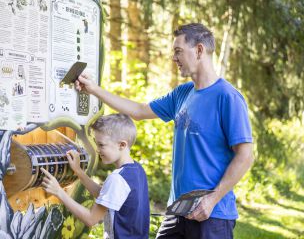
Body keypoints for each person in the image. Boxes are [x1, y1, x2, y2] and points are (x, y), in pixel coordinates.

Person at [75, 23, 254, 239]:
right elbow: (139, 111)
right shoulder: (182, 94)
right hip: (176, 212)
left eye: (178, 51)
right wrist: (93, 89)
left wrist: (212, 200)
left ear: (199, 50)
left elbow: (245, 156)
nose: (173, 58)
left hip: (212, 214)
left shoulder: (228, 97)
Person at [41, 113, 150, 239]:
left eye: (101, 145)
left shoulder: (117, 179)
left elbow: (91, 219)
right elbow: (106, 194)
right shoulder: (137, 170)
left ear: (122, 145)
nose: (97, 150)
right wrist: (79, 171)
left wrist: (59, 192)